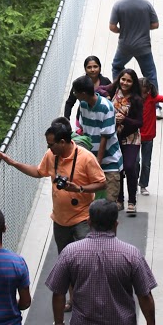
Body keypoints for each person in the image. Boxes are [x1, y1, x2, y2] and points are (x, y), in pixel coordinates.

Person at [0, 118, 107, 259]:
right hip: (60, 220)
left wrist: (79, 189)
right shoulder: (51, 155)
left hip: (83, 218)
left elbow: (102, 183)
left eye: (51, 145)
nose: (49, 148)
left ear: (62, 142)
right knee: (65, 260)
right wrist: (13, 163)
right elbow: (38, 172)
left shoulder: (86, 158)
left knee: (85, 257)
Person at [70, 74, 123, 203]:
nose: (74, 94)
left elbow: (105, 136)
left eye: (75, 92)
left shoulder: (107, 107)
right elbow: (84, 131)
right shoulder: (83, 105)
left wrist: (96, 163)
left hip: (108, 163)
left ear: (83, 93)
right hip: (91, 160)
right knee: (91, 206)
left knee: (108, 205)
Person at [109, 0, 159, 86]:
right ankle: (154, 103)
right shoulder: (146, 4)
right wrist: (144, 27)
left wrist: (121, 30)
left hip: (125, 46)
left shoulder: (118, 5)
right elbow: (155, 24)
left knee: (117, 67)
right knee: (150, 74)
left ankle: (119, 94)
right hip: (143, 46)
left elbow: (112, 27)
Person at [111, 68, 144, 213]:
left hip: (130, 138)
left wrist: (125, 119)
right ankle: (119, 199)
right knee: (118, 168)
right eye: (123, 79)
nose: (125, 83)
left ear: (133, 83)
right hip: (113, 137)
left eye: (129, 81)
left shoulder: (136, 99)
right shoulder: (113, 91)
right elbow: (99, 88)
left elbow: (139, 123)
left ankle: (132, 201)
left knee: (129, 167)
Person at [139, 78, 163, 193]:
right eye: (141, 92)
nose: (144, 95)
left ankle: (143, 185)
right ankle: (133, 183)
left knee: (146, 163)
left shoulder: (152, 98)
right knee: (134, 163)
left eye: (145, 92)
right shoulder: (134, 99)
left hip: (148, 137)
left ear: (149, 91)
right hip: (135, 136)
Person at [63, 54, 111, 118]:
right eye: (89, 67)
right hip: (83, 118)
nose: (92, 70)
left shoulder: (106, 82)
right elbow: (69, 102)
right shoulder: (79, 83)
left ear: (100, 68)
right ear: (85, 69)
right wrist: (66, 119)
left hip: (103, 118)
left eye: (95, 66)